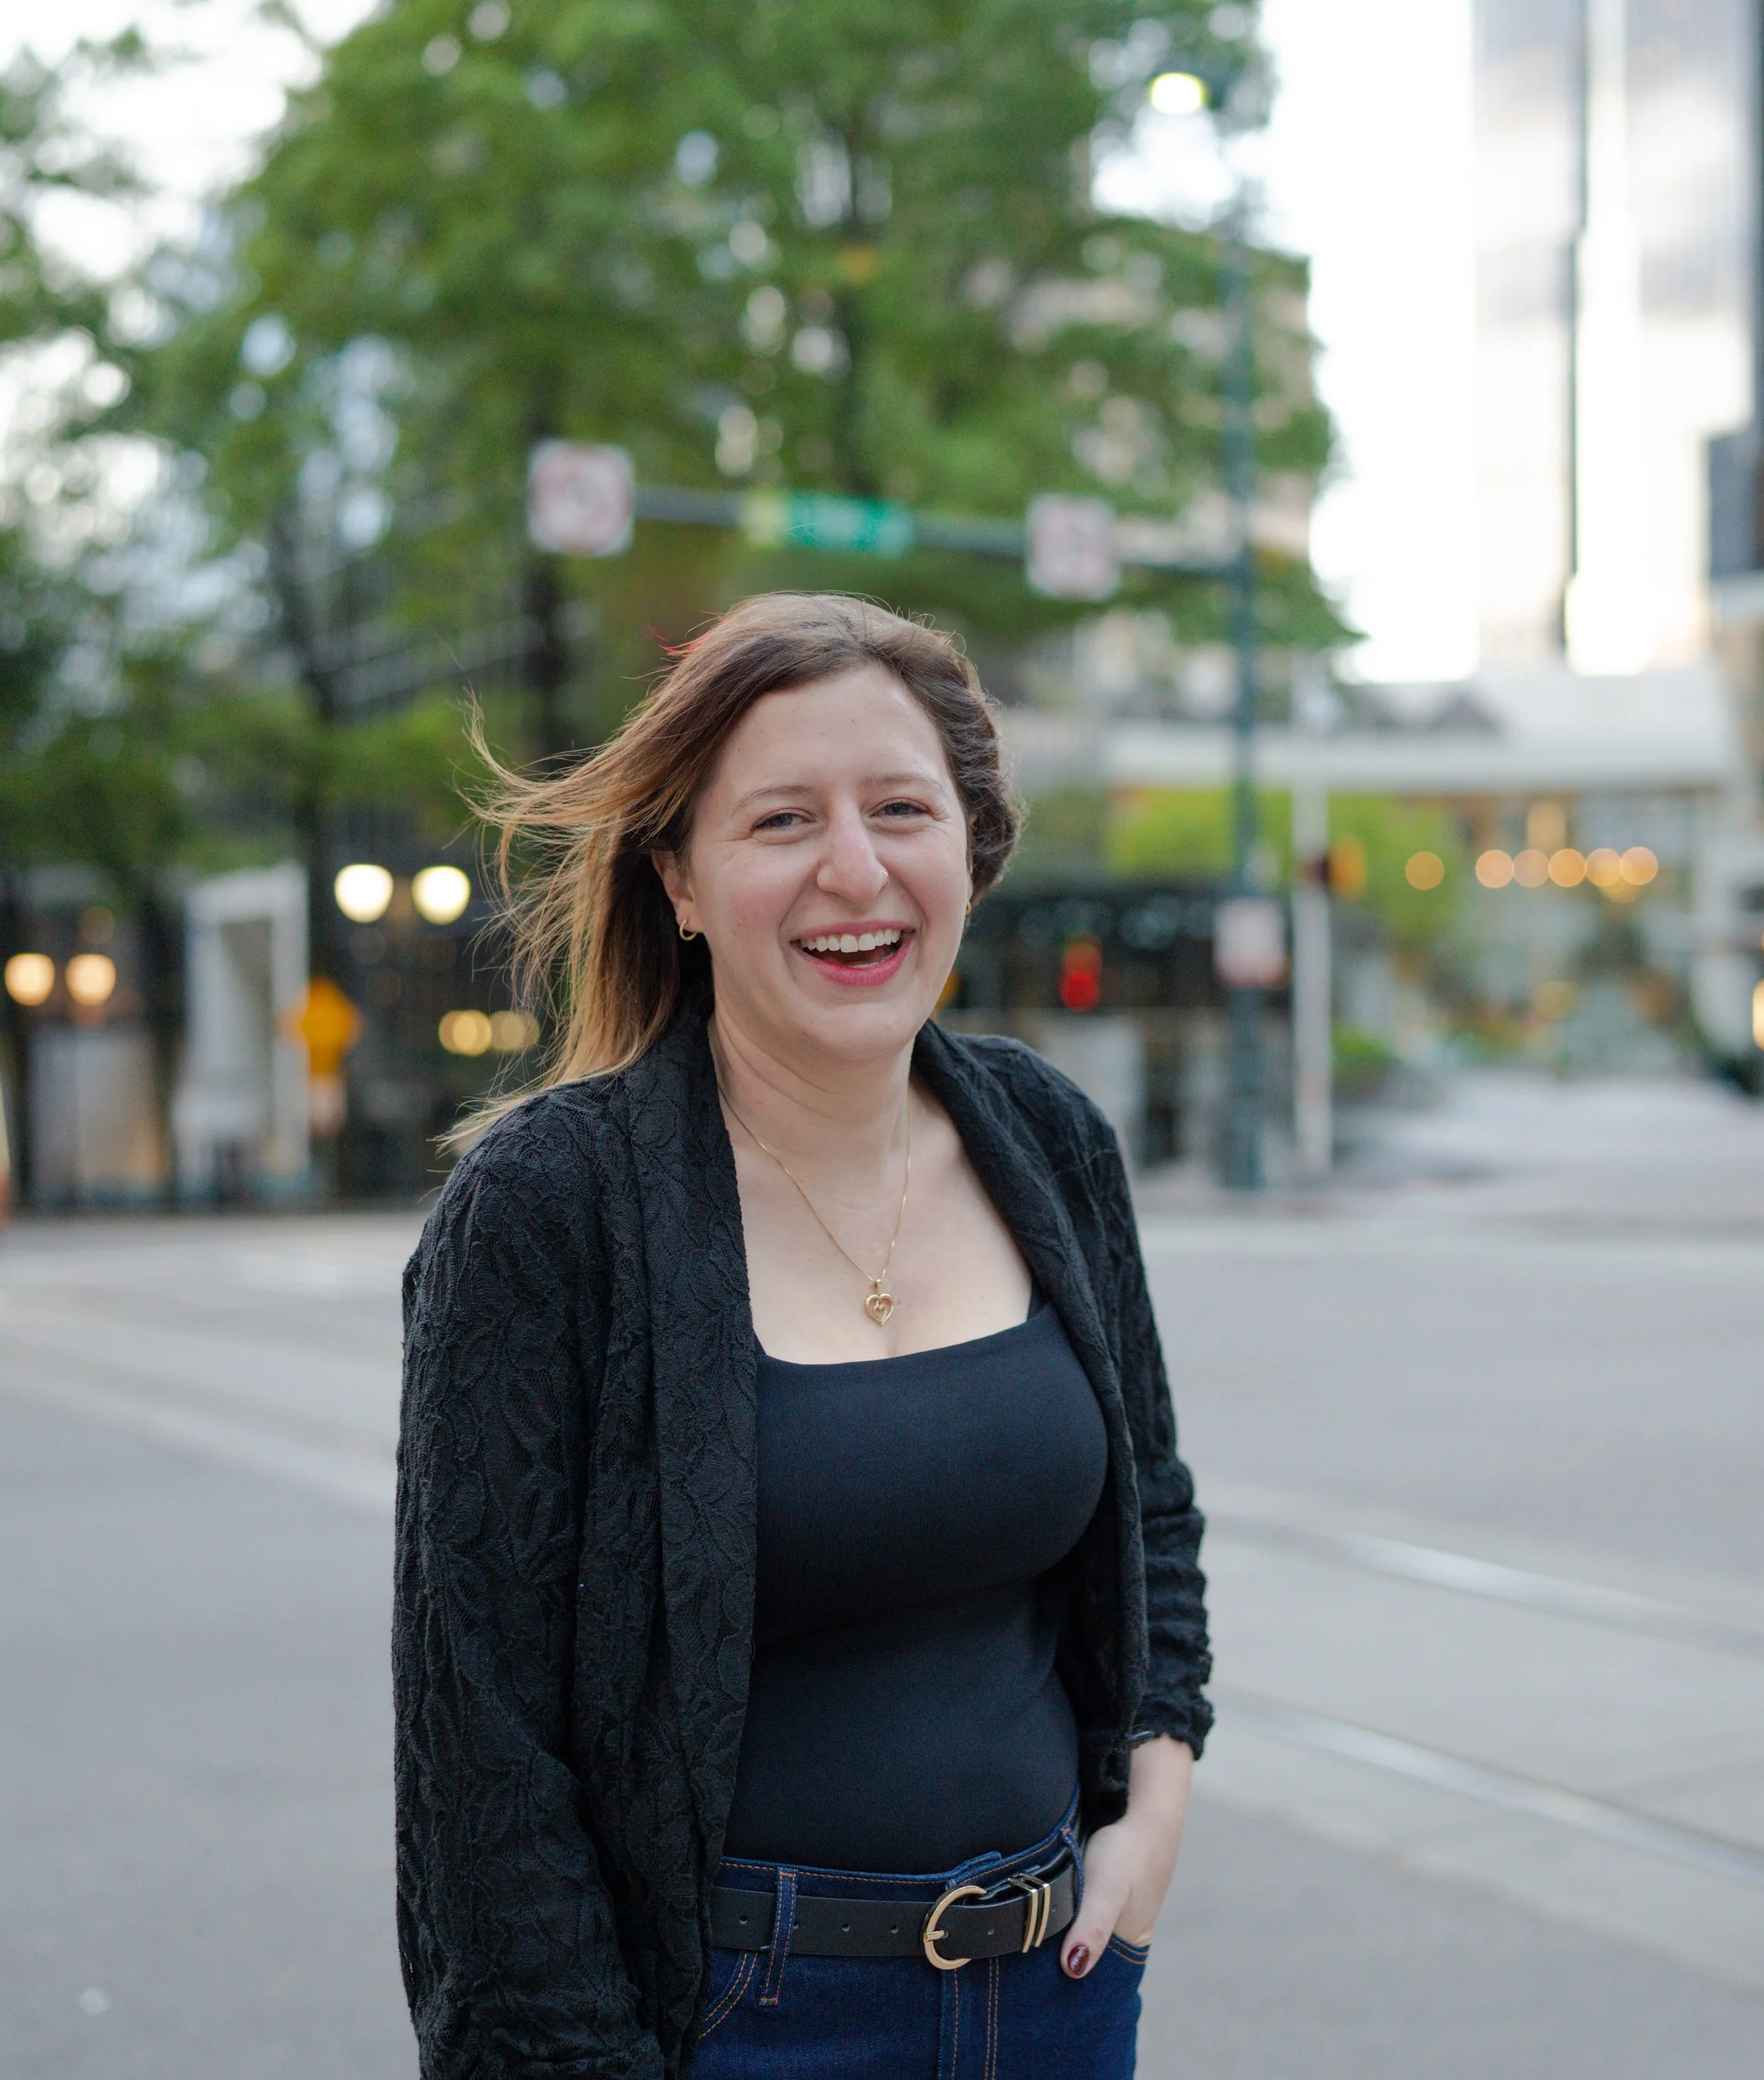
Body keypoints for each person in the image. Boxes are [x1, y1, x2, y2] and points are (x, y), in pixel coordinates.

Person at [394, 593, 1212, 2079]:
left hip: (1059, 1996)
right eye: (780, 821)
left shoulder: (1048, 1138)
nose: (856, 869)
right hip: (734, 2024)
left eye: (902, 808)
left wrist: (1153, 1801)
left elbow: (1151, 1501)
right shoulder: (549, 1210)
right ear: (682, 882)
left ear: (970, 847)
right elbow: (483, 1751)